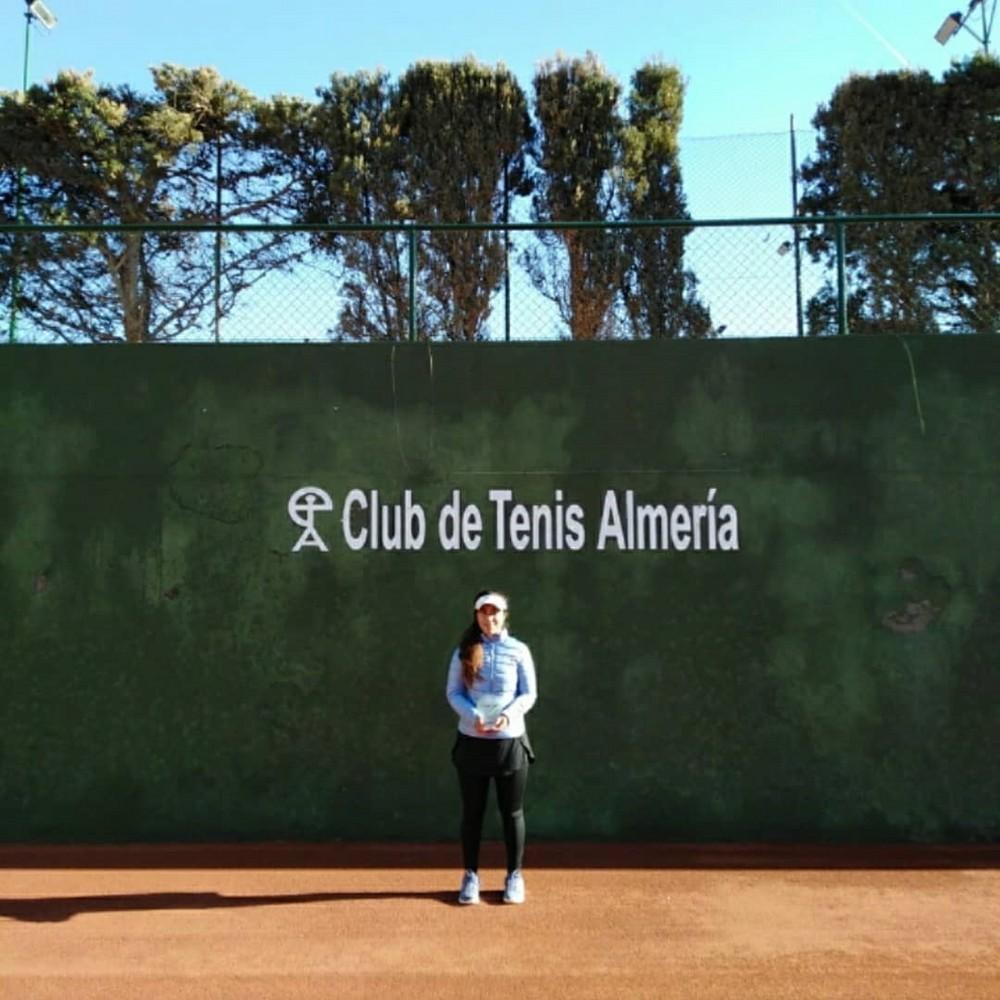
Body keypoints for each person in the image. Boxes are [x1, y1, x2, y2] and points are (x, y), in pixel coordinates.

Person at [445, 589, 537, 905]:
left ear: (504, 614)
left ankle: (514, 876)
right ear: (477, 616)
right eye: (484, 612)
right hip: (472, 744)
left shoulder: (519, 651)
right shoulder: (463, 652)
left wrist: (508, 715)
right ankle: (470, 876)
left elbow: (528, 694)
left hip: (509, 744)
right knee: (473, 813)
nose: (490, 617)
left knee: (511, 812)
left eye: (495, 612)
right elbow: (453, 692)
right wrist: (474, 717)